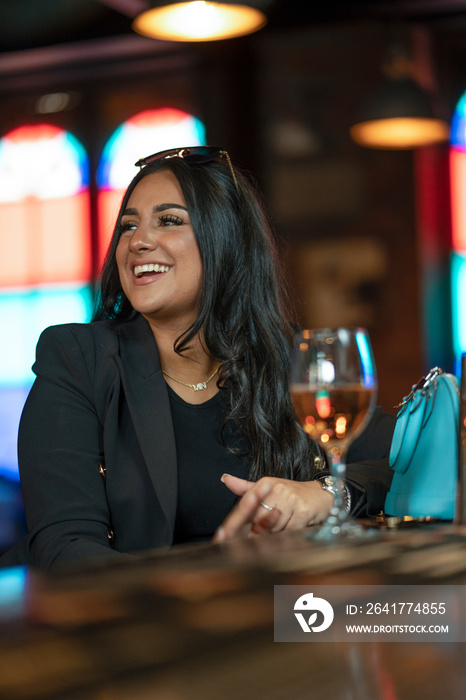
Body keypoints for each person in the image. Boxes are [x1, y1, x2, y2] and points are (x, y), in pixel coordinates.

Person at [0, 146, 394, 571]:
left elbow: (413, 456)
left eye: (168, 221)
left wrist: (326, 493)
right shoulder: (77, 359)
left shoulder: (285, 359)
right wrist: (197, 591)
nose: (138, 241)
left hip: (276, 610)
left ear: (226, 241)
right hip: (131, 620)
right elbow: (65, 548)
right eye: (128, 226)